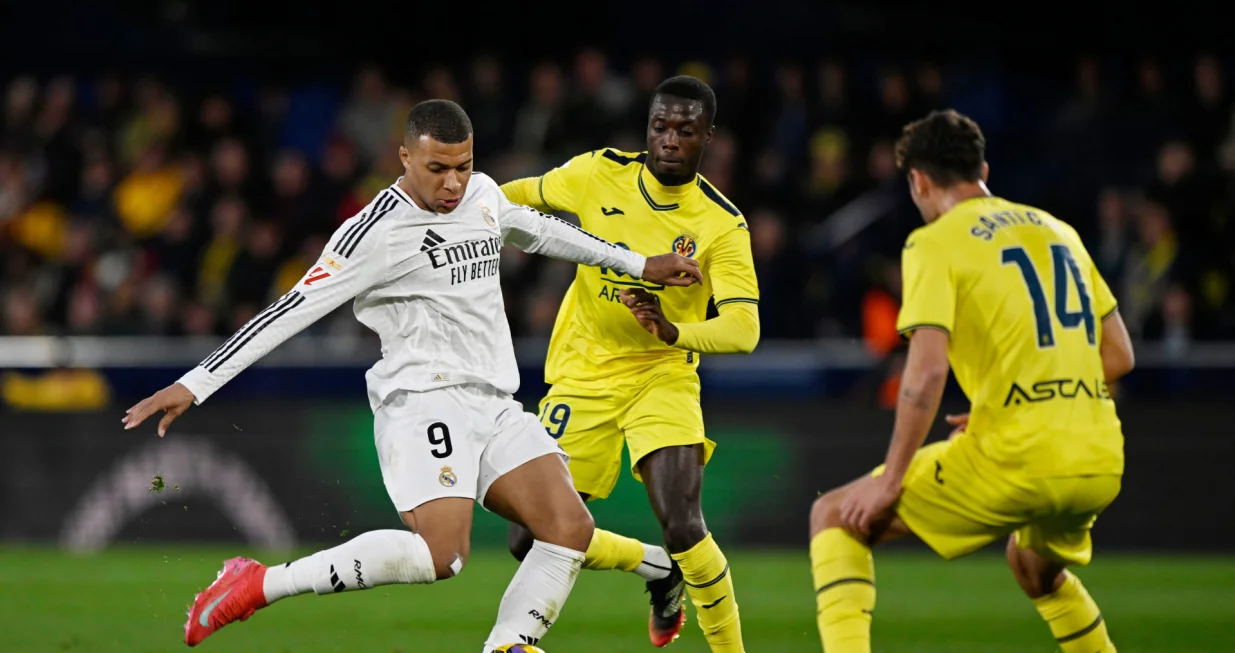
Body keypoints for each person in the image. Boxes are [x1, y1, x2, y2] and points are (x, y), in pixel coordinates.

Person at [121, 99, 702, 652]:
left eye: (463, 166)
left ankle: (509, 642)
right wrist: (196, 383)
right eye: (437, 169)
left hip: (494, 402)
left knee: (568, 527)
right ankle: (255, 584)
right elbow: (289, 311)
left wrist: (638, 263)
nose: (453, 183)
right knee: (442, 557)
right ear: (404, 159)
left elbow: (537, 229)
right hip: (421, 401)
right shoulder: (370, 234)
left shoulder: (480, 195)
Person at [808, 109, 1135, 653]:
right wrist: (1006, 402)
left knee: (836, 516)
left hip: (1020, 456)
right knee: (1034, 567)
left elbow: (927, 369)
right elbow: (1119, 354)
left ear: (918, 181)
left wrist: (890, 480)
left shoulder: (934, 242)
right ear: (983, 167)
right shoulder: (1060, 231)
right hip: (1099, 456)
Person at [500, 76, 758, 652]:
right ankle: (657, 571)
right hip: (584, 369)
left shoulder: (721, 223)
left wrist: (675, 330)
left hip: (661, 373)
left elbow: (745, 329)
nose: (669, 139)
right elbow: (513, 196)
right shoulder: (598, 173)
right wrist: (451, 199)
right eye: (660, 126)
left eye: (684, 131)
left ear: (706, 138)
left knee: (685, 523)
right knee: (528, 537)